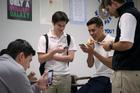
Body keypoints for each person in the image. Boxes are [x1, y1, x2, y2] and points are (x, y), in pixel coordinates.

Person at [100, 0, 140, 93]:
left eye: (108, 9)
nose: (109, 13)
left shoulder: (127, 15)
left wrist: (110, 45)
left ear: (113, 3)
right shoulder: (133, 13)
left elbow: (126, 44)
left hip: (127, 73)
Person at [37, 11, 77, 93]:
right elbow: (41, 59)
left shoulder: (69, 38)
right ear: (53, 23)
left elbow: (71, 58)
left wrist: (51, 54)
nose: (62, 28)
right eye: (59, 25)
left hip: (65, 75)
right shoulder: (44, 38)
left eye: (64, 26)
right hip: (49, 75)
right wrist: (54, 51)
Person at [78, 17, 114, 93]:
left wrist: (93, 52)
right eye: (89, 31)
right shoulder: (93, 43)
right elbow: (90, 65)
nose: (91, 33)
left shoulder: (111, 41)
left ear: (101, 28)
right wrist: (90, 52)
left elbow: (111, 64)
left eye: (93, 30)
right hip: (96, 77)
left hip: (108, 78)